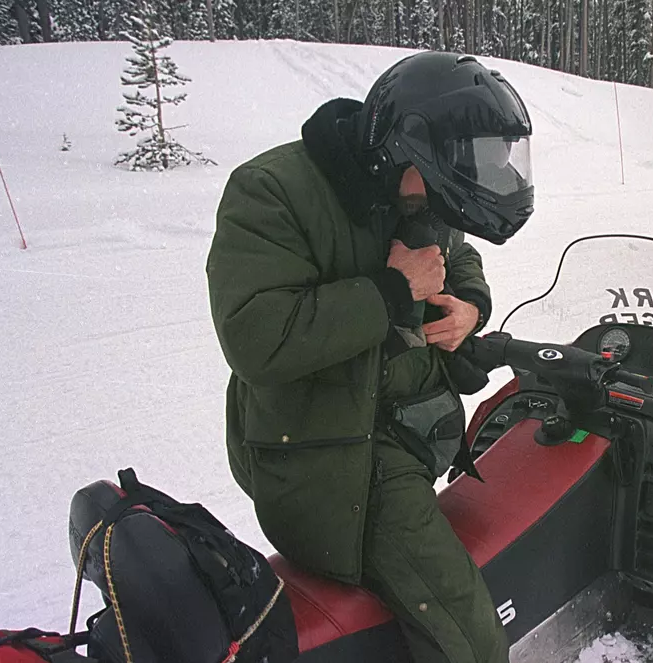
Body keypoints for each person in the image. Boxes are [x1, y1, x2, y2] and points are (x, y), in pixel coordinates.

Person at [206, 51, 534, 663]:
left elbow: (457, 255)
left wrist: (468, 305)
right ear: (403, 147)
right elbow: (257, 339)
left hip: (402, 434)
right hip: (328, 457)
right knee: (474, 642)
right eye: (439, 188)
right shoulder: (272, 192)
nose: (440, 210)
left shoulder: (413, 190)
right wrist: (389, 293)